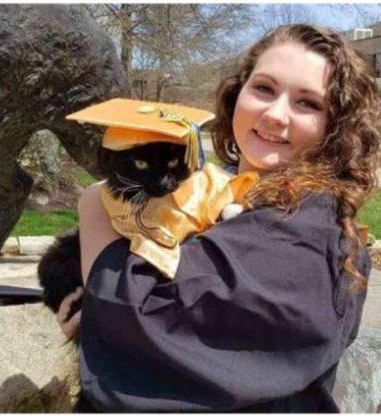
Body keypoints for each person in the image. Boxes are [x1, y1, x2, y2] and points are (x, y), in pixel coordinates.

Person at [57, 24, 381, 412]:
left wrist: (95, 204)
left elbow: (142, 316)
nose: (276, 114)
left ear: (337, 128)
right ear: (236, 94)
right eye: (264, 88)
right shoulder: (226, 193)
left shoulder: (305, 228)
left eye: (307, 103)